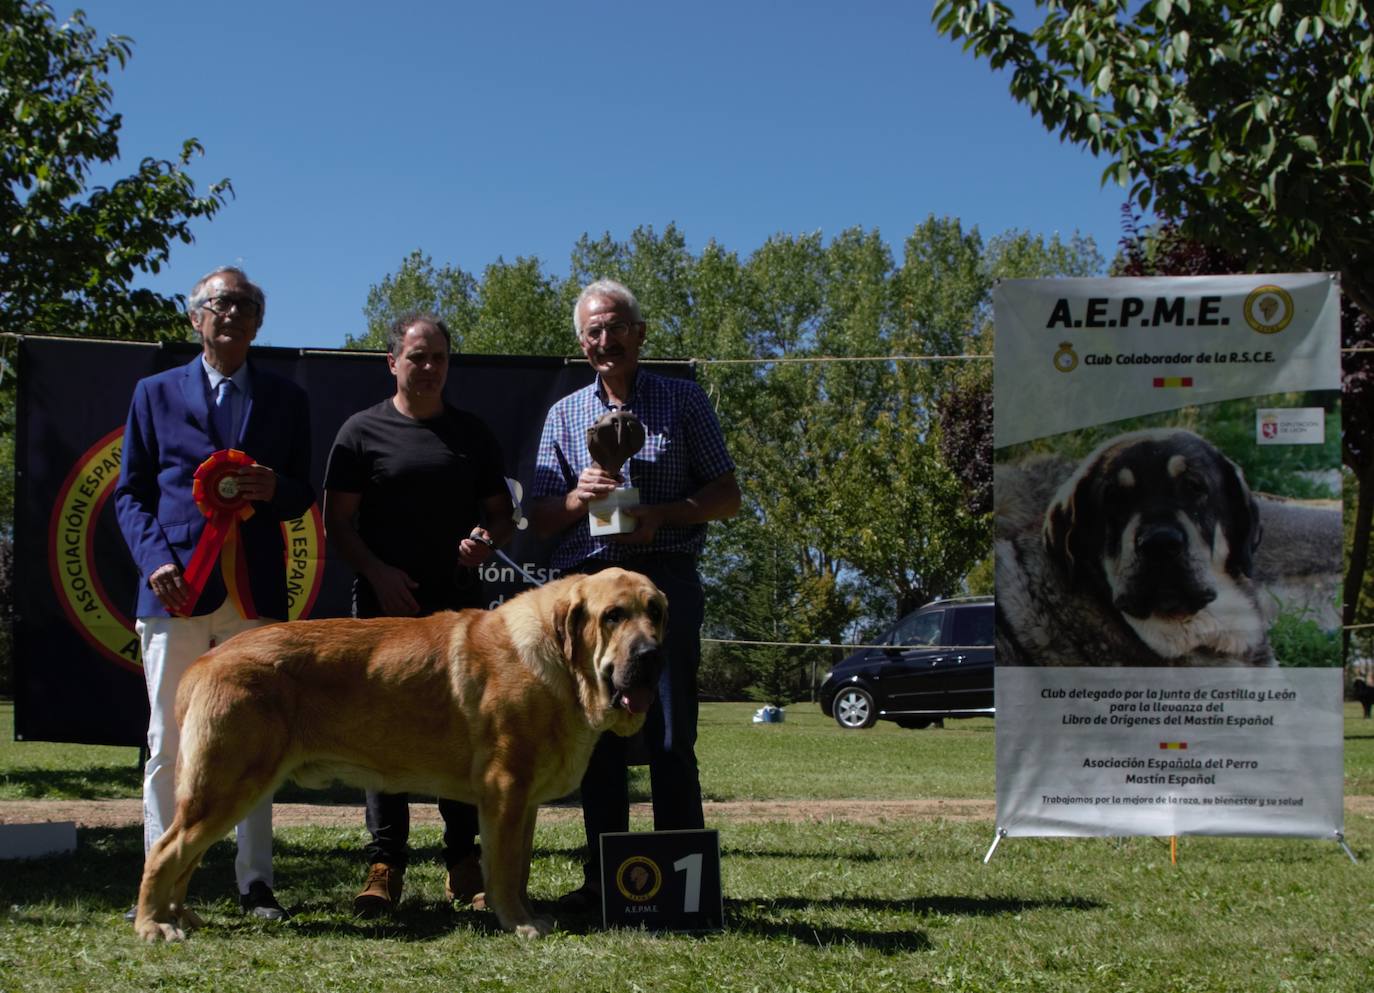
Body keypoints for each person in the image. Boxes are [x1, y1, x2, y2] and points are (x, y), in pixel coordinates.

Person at [530, 278, 740, 909]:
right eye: (593, 331)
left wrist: (662, 515)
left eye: (615, 326)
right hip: (591, 595)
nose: (605, 339)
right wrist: (576, 497)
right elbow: (539, 517)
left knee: (672, 739)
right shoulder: (563, 414)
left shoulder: (683, 400)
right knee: (599, 742)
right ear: (581, 342)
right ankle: (606, 885)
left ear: (639, 335)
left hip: (662, 584)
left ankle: (679, 885)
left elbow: (726, 496)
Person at [115, 266, 314, 921]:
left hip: (253, 597)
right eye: (219, 304)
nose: (231, 314)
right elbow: (131, 493)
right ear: (195, 318)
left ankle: (255, 881)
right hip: (174, 593)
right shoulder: (152, 393)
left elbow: (302, 492)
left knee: (258, 741)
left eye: (245, 306)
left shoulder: (286, 399)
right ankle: (162, 882)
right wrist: (153, 563)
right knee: (167, 739)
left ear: (258, 323)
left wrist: (271, 486)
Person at [323, 312, 514, 917]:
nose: (428, 367)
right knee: (380, 732)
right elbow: (338, 523)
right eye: (416, 356)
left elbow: (500, 515)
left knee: (463, 732)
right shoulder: (359, 432)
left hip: (460, 614)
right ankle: (385, 864)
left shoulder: (472, 434)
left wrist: (485, 539)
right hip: (384, 612)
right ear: (392, 362)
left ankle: (465, 861)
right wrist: (377, 573)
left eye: (438, 357)